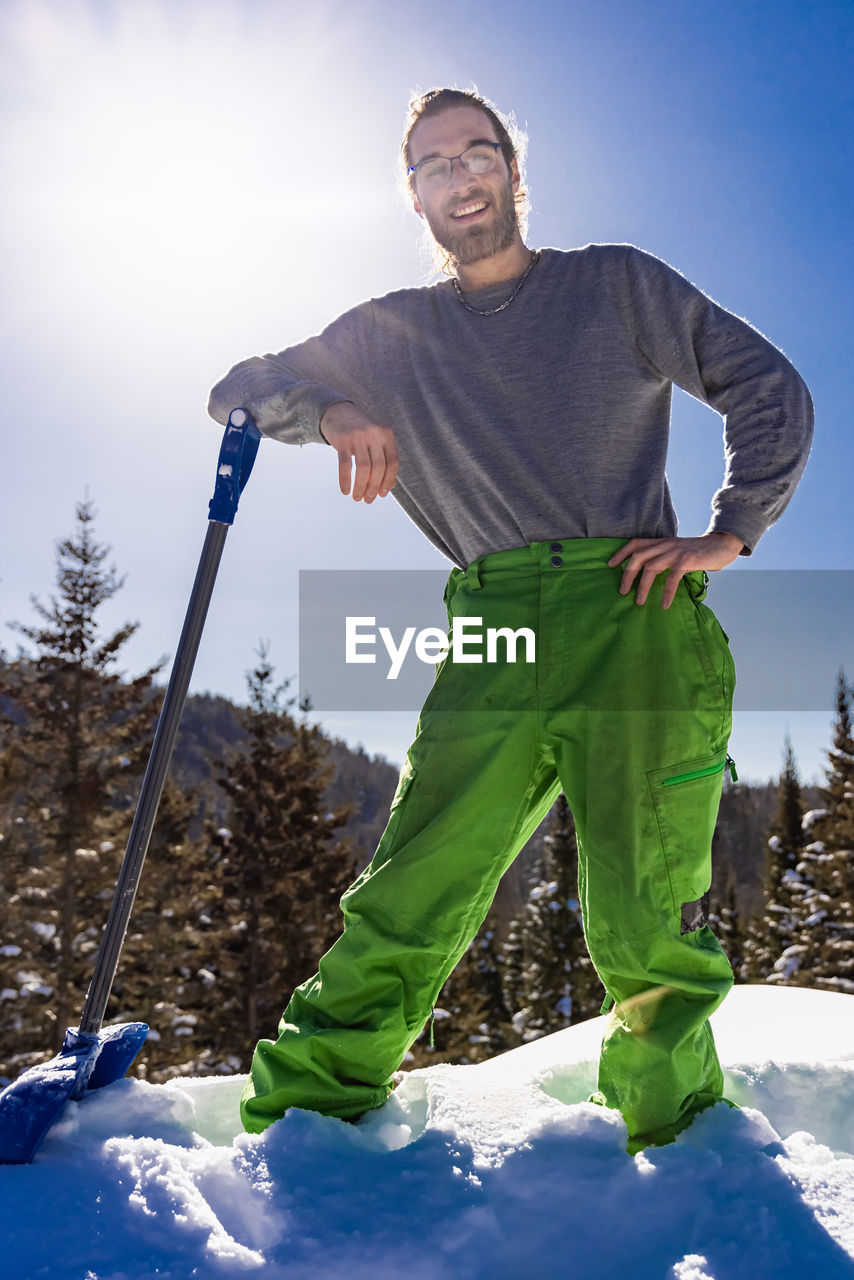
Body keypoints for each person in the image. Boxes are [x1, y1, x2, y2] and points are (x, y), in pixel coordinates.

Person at [207, 87, 813, 1154]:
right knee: (413, 883)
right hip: (491, 623)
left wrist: (729, 529)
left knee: (641, 912)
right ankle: (304, 1121)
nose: (459, 177)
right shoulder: (387, 334)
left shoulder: (613, 285)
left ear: (512, 170)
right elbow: (239, 387)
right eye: (433, 164)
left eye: (475, 153)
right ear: (414, 194)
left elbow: (765, 383)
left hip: (631, 611)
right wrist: (331, 407)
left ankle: (673, 1144)